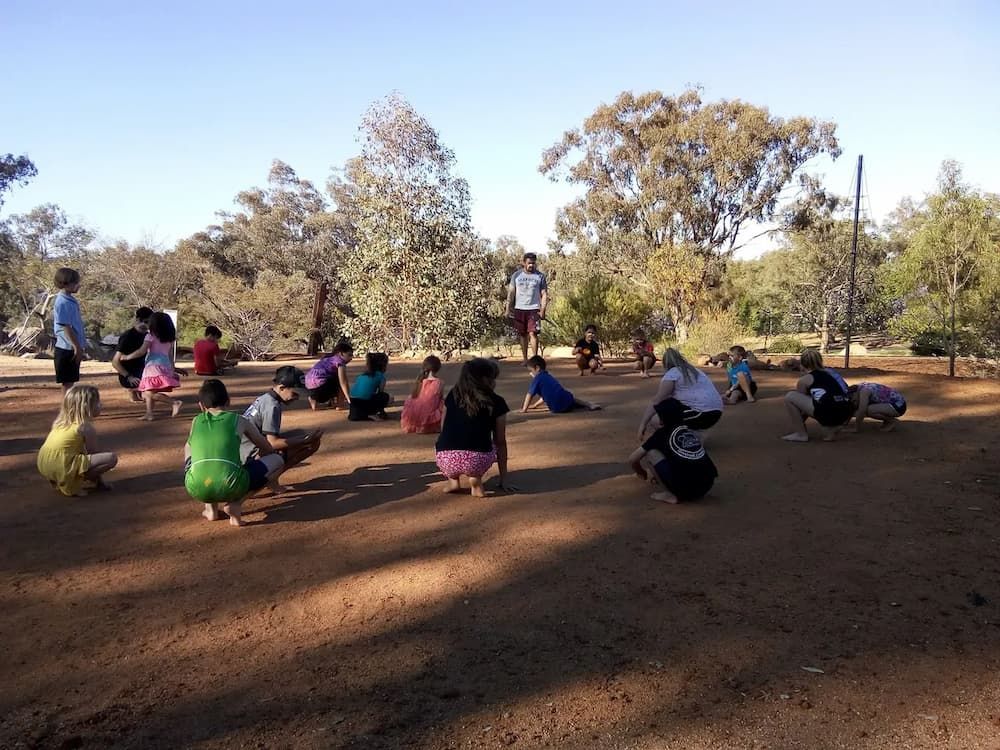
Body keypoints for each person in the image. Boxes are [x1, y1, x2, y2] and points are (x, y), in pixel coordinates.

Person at [185, 379, 284, 527]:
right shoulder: (239, 420)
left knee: (200, 457)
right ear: (228, 401)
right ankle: (236, 503)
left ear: (201, 405)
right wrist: (258, 458)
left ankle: (211, 510)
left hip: (195, 487)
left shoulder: (195, 421)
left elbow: (190, 448)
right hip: (231, 484)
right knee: (278, 460)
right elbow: (266, 446)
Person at [435, 358, 513, 497]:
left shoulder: (453, 394)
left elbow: (443, 427)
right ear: (486, 379)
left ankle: (453, 480)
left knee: (447, 441)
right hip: (476, 460)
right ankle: (475, 480)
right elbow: (500, 441)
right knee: (490, 445)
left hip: (446, 458)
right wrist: (504, 479)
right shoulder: (497, 401)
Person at [241, 366, 323, 488]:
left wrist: (302, 438)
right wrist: (305, 440)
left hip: (245, 451)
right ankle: (270, 478)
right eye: (294, 393)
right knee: (311, 444)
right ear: (282, 388)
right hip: (250, 457)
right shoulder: (272, 406)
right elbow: (272, 443)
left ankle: (270, 476)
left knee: (299, 434)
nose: (297, 397)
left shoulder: (265, 398)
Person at [628, 398, 717, 504]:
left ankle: (670, 494)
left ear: (661, 421)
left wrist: (640, 471)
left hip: (686, 490)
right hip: (707, 485)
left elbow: (632, 459)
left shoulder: (661, 434)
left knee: (651, 453)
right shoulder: (688, 430)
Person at [37, 385, 118, 496]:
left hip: (44, 463)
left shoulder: (59, 422)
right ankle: (72, 484)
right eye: (97, 402)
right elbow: (92, 454)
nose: (101, 405)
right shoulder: (86, 428)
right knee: (111, 458)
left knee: (79, 458)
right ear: (87, 407)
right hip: (62, 464)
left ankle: (59, 479)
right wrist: (101, 482)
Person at [638, 348, 724, 439]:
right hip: (717, 411)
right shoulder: (695, 370)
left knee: (656, 419)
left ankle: (681, 440)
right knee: (669, 404)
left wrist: (643, 424)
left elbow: (656, 401)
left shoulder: (672, 374)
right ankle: (693, 433)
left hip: (702, 413)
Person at [119, 311, 183, 421]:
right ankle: (149, 413)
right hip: (165, 365)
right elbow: (170, 354)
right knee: (150, 390)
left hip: (153, 366)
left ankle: (174, 402)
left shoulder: (150, 336)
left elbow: (142, 351)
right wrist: (172, 368)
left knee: (147, 393)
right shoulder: (169, 339)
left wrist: (127, 357)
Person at [782, 348, 852, 442]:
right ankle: (832, 427)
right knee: (824, 402)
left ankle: (801, 434)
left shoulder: (804, 380)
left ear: (802, 364)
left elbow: (801, 408)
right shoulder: (829, 374)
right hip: (845, 412)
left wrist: (797, 425)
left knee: (790, 396)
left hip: (829, 411)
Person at [506, 252, 549, 366]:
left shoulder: (540, 276)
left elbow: (544, 294)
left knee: (533, 333)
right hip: (519, 308)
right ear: (524, 263)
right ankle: (525, 359)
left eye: (533, 263)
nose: (531, 265)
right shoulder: (516, 275)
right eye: (529, 263)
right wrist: (508, 308)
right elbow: (511, 293)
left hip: (534, 309)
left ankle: (534, 360)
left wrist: (543, 310)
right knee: (523, 334)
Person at [521, 355, 601, 413]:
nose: (531, 373)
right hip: (566, 401)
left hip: (556, 408)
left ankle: (584, 405)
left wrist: (524, 409)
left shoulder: (537, 379)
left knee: (568, 400)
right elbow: (546, 396)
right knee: (570, 398)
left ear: (537, 368)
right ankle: (588, 404)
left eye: (531, 371)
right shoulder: (548, 376)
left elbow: (529, 395)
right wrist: (535, 405)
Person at [52, 267, 86, 393]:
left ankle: (69, 405)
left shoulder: (70, 300)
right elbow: (66, 327)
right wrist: (77, 347)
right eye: (76, 283)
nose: (78, 285)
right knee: (67, 384)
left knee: (70, 382)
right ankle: (66, 405)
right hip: (66, 348)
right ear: (66, 283)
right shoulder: (62, 302)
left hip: (72, 347)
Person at [111, 306, 153, 402]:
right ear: (136, 319)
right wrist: (129, 377)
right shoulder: (127, 337)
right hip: (129, 375)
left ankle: (139, 390)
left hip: (143, 370)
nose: (143, 324)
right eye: (141, 321)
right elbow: (115, 362)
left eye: (147, 322)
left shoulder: (148, 336)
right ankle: (133, 390)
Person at [401, 355, 445, 434]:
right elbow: (440, 398)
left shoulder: (420, 380)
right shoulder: (439, 382)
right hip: (428, 415)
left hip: (414, 415)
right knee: (443, 403)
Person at [305, 341, 354, 411]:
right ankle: (340, 405)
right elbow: (343, 382)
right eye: (349, 355)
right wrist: (349, 399)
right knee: (339, 380)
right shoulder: (340, 362)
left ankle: (314, 401)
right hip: (321, 388)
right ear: (341, 353)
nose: (351, 358)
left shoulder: (327, 359)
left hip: (309, 388)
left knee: (331, 377)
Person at [349, 352, 391, 421]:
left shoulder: (362, 375)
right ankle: (372, 413)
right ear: (383, 365)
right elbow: (380, 393)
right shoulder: (381, 376)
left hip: (353, 403)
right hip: (363, 402)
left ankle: (362, 414)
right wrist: (381, 411)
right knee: (385, 396)